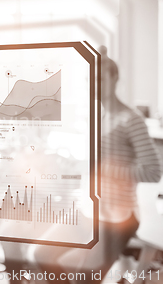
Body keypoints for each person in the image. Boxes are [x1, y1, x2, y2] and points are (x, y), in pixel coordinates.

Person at [33, 47, 163, 283]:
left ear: (114, 79)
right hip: (89, 212)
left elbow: (154, 172)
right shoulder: (97, 116)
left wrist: (106, 168)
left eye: (100, 79)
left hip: (119, 219)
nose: (94, 85)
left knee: (86, 278)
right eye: (89, 80)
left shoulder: (131, 120)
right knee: (41, 254)